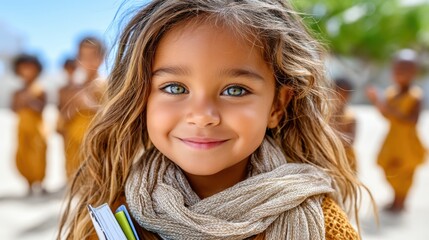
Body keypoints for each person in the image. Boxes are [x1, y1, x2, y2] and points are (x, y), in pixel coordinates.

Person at [58, 1, 369, 239]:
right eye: (175, 88)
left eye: (235, 90)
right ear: (142, 98)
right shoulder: (114, 217)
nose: (203, 115)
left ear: (277, 105)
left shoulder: (322, 223)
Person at [366, 49, 426, 213]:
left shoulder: (416, 96)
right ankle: (395, 198)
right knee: (388, 168)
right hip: (392, 139)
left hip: (407, 141)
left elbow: (412, 121)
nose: (401, 74)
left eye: (406, 71)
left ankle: (400, 202)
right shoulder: (391, 92)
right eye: (398, 70)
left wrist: (389, 109)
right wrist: (376, 101)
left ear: (414, 73)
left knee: (405, 173)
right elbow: (386, 115)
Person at [59, 37, 105, 181]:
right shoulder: (73, 89)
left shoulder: (107, 85)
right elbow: (62, 120)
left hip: (97, 148)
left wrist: (90, 105)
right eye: (84, 57)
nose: (89, 61)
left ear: (102, 57)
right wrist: (72, 109)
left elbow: (115, 116)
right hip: (75, 147)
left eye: (93, 56)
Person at [11, 54, 47, 195]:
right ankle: (28, 183)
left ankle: (40, 182)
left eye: (30, 68)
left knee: (38, 156)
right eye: (24, 68)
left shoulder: (40, 89)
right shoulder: (17, 92)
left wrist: (30, 101)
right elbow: (14, 108)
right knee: (22, 156)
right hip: (22, 128)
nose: (27, 71)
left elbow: (41, 107)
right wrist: (22, 100)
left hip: (37, 129)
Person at [333, 77, 358, 173]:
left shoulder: (350, 116)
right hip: (330, 159)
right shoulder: (325, 114)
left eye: (344, 94)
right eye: (338, 93)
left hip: (346, 160)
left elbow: (351, 140)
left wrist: (331, 136)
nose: (340, 97)